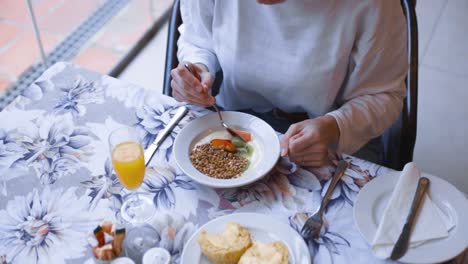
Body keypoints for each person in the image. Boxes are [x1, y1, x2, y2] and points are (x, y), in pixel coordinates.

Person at [170, 0, 408, 166]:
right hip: (231, 118)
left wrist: (335, 126)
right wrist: (196, 67)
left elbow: (384, 94)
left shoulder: (374, 4)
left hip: (322, 139)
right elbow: (198, 37)